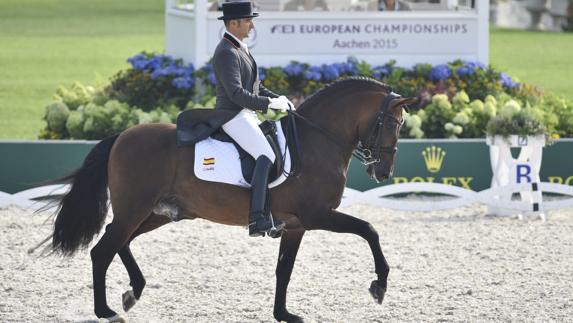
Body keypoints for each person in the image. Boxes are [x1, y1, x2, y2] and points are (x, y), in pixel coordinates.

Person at [213, 1, 291, 237]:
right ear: (234, 23)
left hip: (245, 113)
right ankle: (257, 218)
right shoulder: (226, 52)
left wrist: (280, 99)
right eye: (248, 20)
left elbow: (256, 87)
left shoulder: (240, 48)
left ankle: (271, 213)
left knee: (277, 150)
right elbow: (237, 94)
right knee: (265, 155)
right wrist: (268, 104)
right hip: (232, 115)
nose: (252, 25)